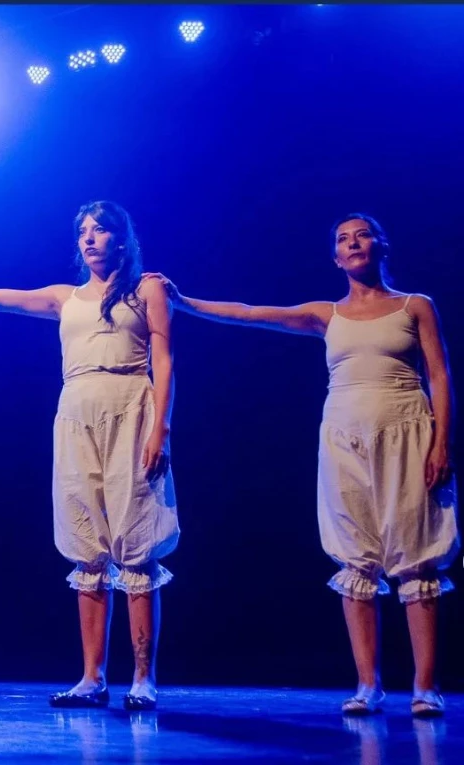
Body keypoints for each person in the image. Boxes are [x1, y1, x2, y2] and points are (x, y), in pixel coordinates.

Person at [147, 213, 458, 717]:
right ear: (336, 258)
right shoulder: (325, 314)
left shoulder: (415, 306)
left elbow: (440, 377)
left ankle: (425, 686)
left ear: (380, 246)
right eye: (343, 239)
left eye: (362, 235)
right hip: (344, 437)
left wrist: (442, 441)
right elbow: (252, 312)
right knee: (356, 556)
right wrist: (186, 301)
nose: (353, 243)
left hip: (407, 430)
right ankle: (368, 685)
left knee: (416, 554)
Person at [0, 201, 179, 711]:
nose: (90, 238)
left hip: (131, 408)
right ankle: (92, 677)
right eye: (83, 231)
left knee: (136, 542)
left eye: (100, 230)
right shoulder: (65, 297)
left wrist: (159, 429)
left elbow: (163, 361)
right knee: (87, 544)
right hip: (76, 410)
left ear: (121, 239)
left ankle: (143, 678)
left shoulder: (148, 289)